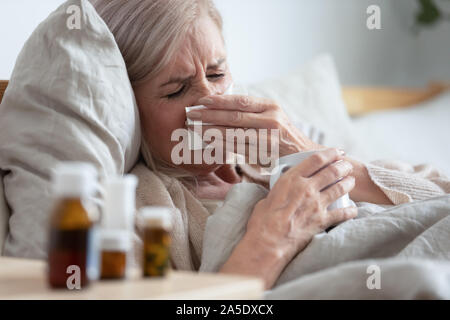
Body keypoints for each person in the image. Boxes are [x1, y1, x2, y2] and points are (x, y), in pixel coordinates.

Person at [90, 0, 450, 289]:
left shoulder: (292, 138)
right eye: (176, 90)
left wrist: (313, 153)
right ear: (131, 108)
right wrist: (272, 240)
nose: (208, 99)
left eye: (217, 74)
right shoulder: (144, 208)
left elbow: (439, 198)